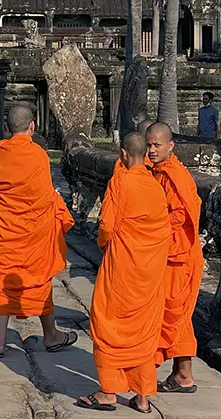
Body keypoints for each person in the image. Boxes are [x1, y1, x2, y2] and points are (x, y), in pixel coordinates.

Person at [79, 132, 171, 413]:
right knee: (143, 331)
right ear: (145, 154)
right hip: (150, 272)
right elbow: (165, 230)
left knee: (108, 323)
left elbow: (106, 225)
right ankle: (142, 397)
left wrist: (107, 246)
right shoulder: (156, 187)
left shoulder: (120, 181)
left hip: (122, 269)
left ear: (122, 154)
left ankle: (108, 391)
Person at [0, 105, 77, 358]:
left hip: (7, 229)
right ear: (33, 126)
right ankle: (50, 335)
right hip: (34, 230)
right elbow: (44, 193)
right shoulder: (38, 154)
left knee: (2, 279)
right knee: (40, 275)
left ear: (7, 128)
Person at [146, 122, 204, 395]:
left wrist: (147, 229)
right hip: (168, 253)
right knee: (176, 315)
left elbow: (180, 217)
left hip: (179, 255)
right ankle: (183, 375)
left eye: (157, 145)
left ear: (171, 146)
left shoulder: (177, 177)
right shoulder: (157, 173)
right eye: (149, 145)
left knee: (171, 313)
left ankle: (151, 371)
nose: (152, 150)